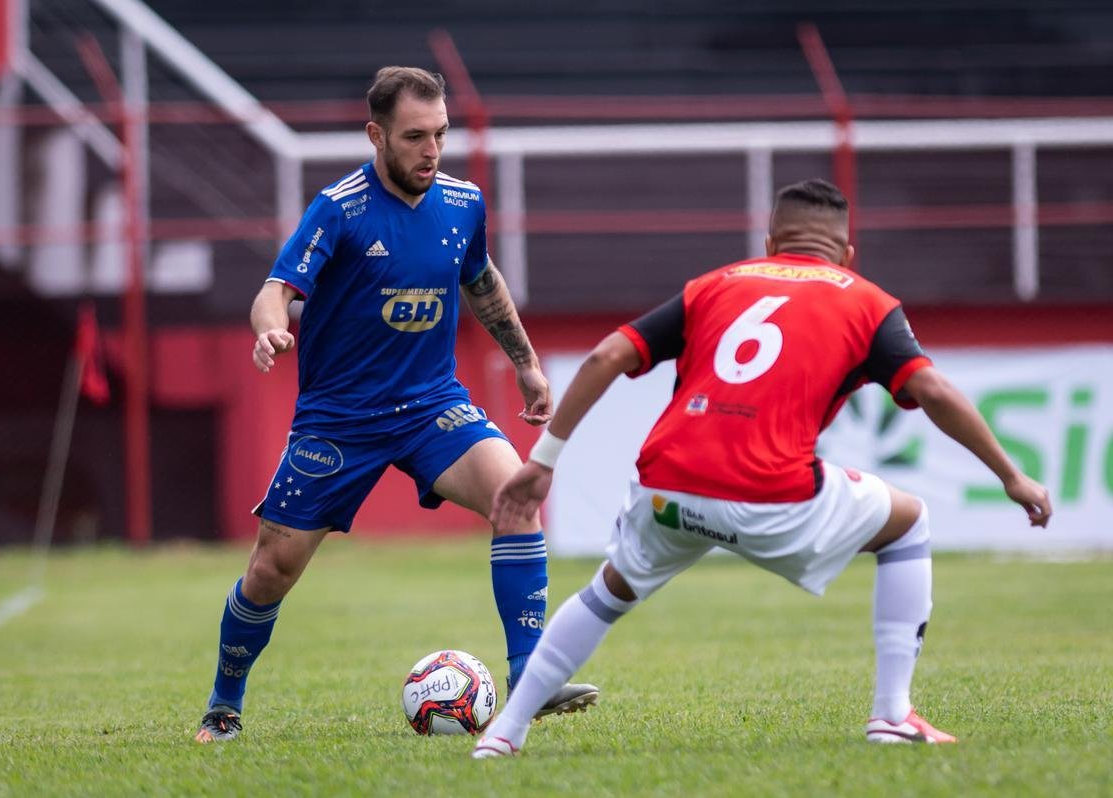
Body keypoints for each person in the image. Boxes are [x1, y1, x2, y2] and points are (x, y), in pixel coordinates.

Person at [471, 178, 1052, 758]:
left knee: (608, 592)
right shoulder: (866, 300)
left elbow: (606, 355)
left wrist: (545, 460)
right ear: (847, 254)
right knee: (909, 523)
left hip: (667, 485)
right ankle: (892, 714)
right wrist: (1011, 475)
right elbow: (931, 388)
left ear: (772, 241)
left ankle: (504, 733)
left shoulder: (716, 284)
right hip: (772, 493)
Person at [194, 66, 597, 743]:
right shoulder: (340, 208)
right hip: (339, 420)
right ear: (376, 134)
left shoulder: (464, 201)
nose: (431, 151)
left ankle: (533, 675)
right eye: (415, 137)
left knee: (517, 494)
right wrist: (270, 326)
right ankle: (224, 704)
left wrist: (525, 363)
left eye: (440, 134)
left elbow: (481, 278)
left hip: (430, 405)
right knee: (272, 570)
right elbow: (277, 287)